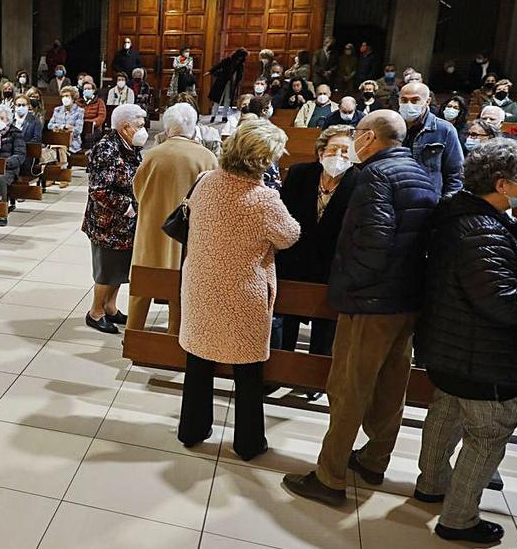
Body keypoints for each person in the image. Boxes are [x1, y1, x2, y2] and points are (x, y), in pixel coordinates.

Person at [283, 109, 439, 507]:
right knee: (390, 385)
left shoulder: (375, 175)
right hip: (407, 299)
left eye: (357, 135)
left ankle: (330, 476)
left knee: (349, 388)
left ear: (369, 138)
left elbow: (372, 243)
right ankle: (373, 459)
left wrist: (345, 287)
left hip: (371, 301)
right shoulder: (419, 173)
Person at [410, 138, 517, 544]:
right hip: (485, 354)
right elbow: (502, 301)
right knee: (486, 437)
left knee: (447, 415)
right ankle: (458, 519)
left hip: (456, 347)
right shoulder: (480, 228)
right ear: (502, 183)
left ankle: (432, 485)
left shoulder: (469, 216)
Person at [178, 119, 299, 460]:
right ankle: (247, 443)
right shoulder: (264, 200)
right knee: (247, 371)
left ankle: (192, 428)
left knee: (198, 361)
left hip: (201, 284)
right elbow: (289, 236)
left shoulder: (205, 182)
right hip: (242, 292)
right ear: (263, 160)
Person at [129, 103, 217, 334]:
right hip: (188, 235)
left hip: (151, 231)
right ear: (194, 126)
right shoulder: (207, 157)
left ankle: (133, 333)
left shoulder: (153, 155)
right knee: (181, 286)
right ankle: (174, 336)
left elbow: (137, 191)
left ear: (168, 128)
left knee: (143, 283)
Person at [272, 126, 356, 358]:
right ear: (321, 152)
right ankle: (281, 371)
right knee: (285, 327)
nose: (338, 156)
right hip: (294, 262)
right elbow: (283, 214)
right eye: (332, 149)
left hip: (332, 267)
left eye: (345, 151)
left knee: (324, 332)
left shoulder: (359, 182)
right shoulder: (300, 174)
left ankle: (313, 381)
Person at [82, 104, 147, 334]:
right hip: (107, 222)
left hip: (125, 223)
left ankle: (110, 307)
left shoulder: (129, 145)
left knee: (119, 268)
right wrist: (126, 205)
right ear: (126, 127)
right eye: (140, 125)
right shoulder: (107, 148)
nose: (143, 129)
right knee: (107, 270)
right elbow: (98, 189)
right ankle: (95, 312)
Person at [399, 81, 464, 195]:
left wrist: (448, 204)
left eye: (415, 100)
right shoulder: (392, 126)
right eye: (404, 100)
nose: (409, 104)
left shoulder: (445, 129)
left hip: (429, 200)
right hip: (397, 197)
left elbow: (455, 174)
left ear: (427, 101)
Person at [47, 87, 85, 177]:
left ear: (73, 98)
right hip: (57, 140)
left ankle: (60, 176)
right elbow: (50, 125)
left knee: (60, 148)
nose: (65, 98)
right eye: (63, 96)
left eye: (67, 96)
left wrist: (58, 128)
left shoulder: (79, 111)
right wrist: (63, 127)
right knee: (55, 148)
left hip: (72, 142)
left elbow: (78, 130)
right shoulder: (57, 110)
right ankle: (58, 175)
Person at [208, 48, 248, 120]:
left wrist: (238, 82)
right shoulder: (228, 60)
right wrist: (210, 71)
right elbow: (218, 66)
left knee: (228, 99)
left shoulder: (240, 64)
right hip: (222, 82)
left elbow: (240, 75)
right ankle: (213, 115)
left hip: (231, 83)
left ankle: (224, 116)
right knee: (218, 99)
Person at [80, 81, 107, 149]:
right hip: (80, 126)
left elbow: (101, 116)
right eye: (85, 89)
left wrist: (91, 123)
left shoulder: (99, 102)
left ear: (93, 90)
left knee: (89, 136)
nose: (87, 91)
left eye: (89, 89)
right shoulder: (79, 102)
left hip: (95, 127)